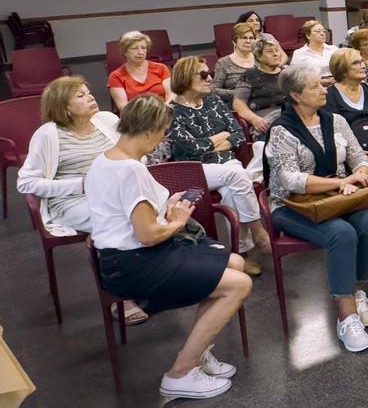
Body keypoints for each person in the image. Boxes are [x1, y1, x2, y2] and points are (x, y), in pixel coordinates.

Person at [85, 94, 251, 400]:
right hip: (137, 262)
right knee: (239, 284)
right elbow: (148, 234)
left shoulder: (106, 160)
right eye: (163, 132)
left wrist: (166, 206)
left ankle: (197, 351)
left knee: (235, 265)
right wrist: (177, 220)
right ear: (149, 130)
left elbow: (132, 213)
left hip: (122, 258)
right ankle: (180, 373)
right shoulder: (130, 170)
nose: (163, 139)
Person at [265, 65, 368, 354]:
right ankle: (346, 316)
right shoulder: (282, 129)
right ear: (295, 95)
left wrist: (358, 173)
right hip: (293, 205)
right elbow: (289, 179)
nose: (324, 90)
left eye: (323, 84)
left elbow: (360, 156)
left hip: (337, 197)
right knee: (342, 233)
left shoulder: (335, 120)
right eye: (315, 87)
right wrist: (341, 180)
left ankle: (355, 289)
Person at [18, 76, 147, 325]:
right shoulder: (48, 135)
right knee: (115, 221)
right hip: (73, 200)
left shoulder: (107, 120)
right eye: (80, 95)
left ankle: (146, 277)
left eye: (89, 92)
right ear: (64, 107)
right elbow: (25, 183)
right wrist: (82, 184)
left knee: (147, 212)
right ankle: (120, 294)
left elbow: (134, 152)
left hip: (115, 192)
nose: (91, 97)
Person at [166, 56, 271, 275]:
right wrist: (219, 138)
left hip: (227, 165)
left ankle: (239, 253)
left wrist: (215, 142)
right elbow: (188, 149)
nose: (210, 78)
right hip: (194, 170)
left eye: (209, 73)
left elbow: (237, 135)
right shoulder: (172, 111)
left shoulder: (213, 100)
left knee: (233, 185)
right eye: (203, 74)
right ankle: (258, 232)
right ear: (185, 78)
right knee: (237, 176)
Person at [325, 49, 368, 172]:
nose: (363, 66)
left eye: (362, 61)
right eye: (356, 63)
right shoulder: (330, 96)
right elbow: (331, 132)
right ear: (342, 69)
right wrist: (353, 152)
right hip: (352, 161)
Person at [231, 35, 287, 135]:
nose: (276, 54)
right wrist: (254, 119)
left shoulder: (288, 73)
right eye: (270, 51)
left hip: (290, 114)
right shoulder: (249, 75)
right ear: (259, 56)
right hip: (265, 118)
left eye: (277, 50)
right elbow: (238, 103)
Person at [108, 30, 174, 113]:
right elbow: (123, 107)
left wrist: (161, 112)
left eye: (143, 48)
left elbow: (171, 95)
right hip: (136, 118)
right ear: (125, 52)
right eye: (134, 48)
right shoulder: (115, 76)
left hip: (163, 113)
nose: (140, 52)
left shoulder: (161, 68)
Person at [212, 23, 257, 104]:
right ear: (234, 41)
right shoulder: (223, 63)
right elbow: (214, 90)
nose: (248, 41)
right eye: (244, 38)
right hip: (236, 103)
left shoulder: (260, 59)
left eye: (251, 38)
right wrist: (239, 93)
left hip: (262, 102)